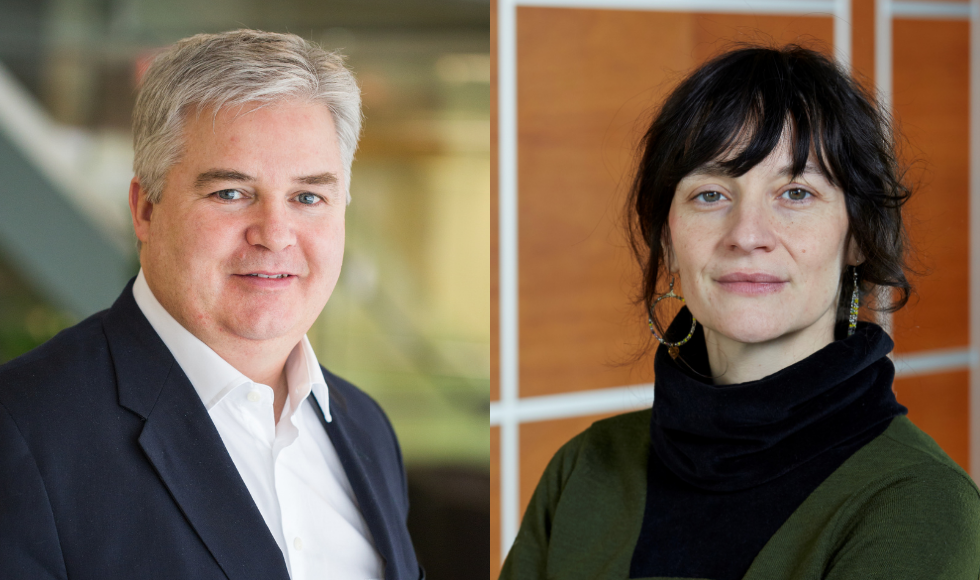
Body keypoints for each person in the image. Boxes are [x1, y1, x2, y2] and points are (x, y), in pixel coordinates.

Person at [500, 45, 980, 580]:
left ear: (858, 237)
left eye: (796, 192)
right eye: (710, 195)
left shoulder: (916, 504)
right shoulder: (584, 469)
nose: (747, 236)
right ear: (668, 236)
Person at [0, 30, 422, 580]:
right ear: (146, 209)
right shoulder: (23, 432)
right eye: (230, 193)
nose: (275, 234)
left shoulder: (365, 426)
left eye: (308, 197)